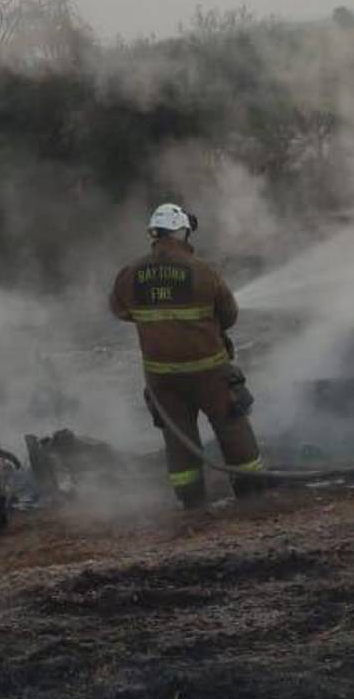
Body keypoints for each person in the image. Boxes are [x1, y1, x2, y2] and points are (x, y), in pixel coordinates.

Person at [110, 203, 266, 509]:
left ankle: (192, 503)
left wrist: (158, 320)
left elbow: (120, 310)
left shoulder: (130, 274)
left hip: (162, 378)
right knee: (232, 424)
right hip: (209, 373)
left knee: (178, 436)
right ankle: (252, 495)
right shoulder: (202, 271)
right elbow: (229, 315)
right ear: (181, 231)